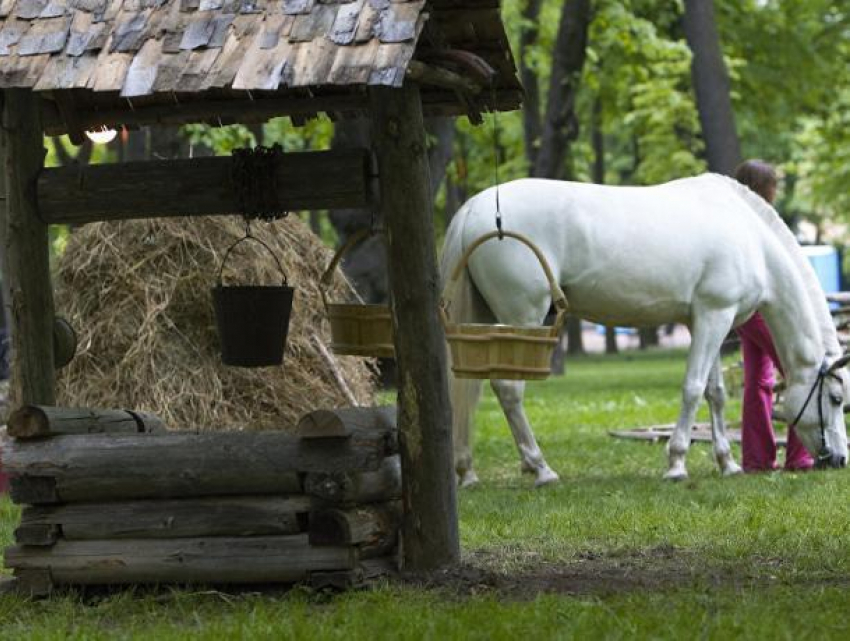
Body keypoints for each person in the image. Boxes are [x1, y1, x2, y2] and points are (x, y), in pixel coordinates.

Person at [734, 159, 814, 472]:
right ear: (763, 188)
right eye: (774, 185)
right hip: (761, 307)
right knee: (797, 372)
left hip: (744, 311)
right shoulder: (761, 222)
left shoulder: (733, 219)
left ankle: (756, 459)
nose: (776, 191)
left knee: (757, 380)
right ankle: (801, 456)